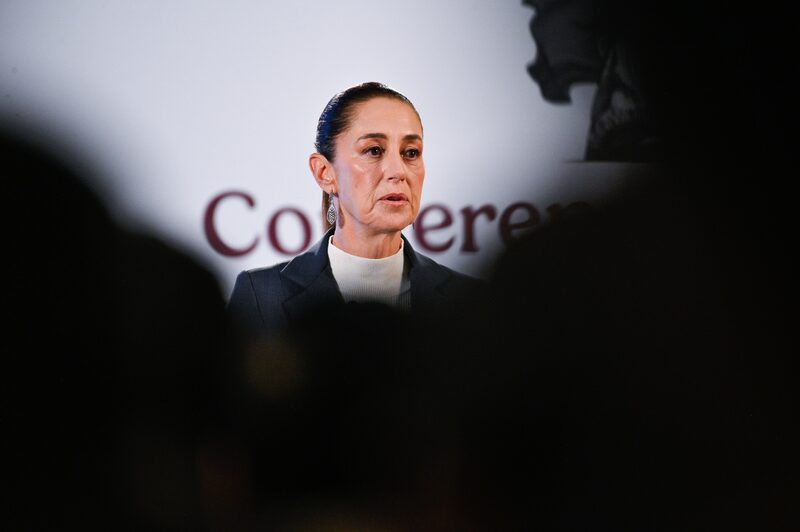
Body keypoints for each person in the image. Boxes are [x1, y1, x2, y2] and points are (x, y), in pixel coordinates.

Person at [227, 82, 481, 342]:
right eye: (374, 150)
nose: (398, 171)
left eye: (410, 153)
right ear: (325, 173)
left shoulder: (470, 300)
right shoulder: (262, 296)